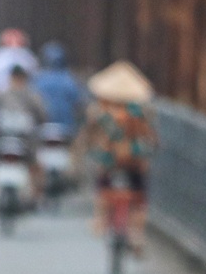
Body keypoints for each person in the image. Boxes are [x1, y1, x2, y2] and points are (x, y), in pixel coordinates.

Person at [80, 62, 157, 251]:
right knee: (139, 197)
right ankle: (137, 233)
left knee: (102, 187)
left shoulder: (99, 112)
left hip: (109, 159)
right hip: (134, 158)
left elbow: (89, 134)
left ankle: (99, 219)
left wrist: (87, 149)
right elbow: (152, 137)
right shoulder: (141, 112)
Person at [0, 62, 47, 202]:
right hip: (18, 140)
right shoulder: (31, 96)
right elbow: (43, 116)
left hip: (6, 138)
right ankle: (37, 193)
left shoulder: (0, 94)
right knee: (34, 163)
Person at [33, 41, 87, 137]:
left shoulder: (37, 80)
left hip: (43, 129)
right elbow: (80, 103)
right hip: (67, 129)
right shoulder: (71, 80)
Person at [0, 27, 40, 93]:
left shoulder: (28, 56)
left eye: (16, 38)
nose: (13, 41)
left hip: (22, 95)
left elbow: (35, 76)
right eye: (11, 38)